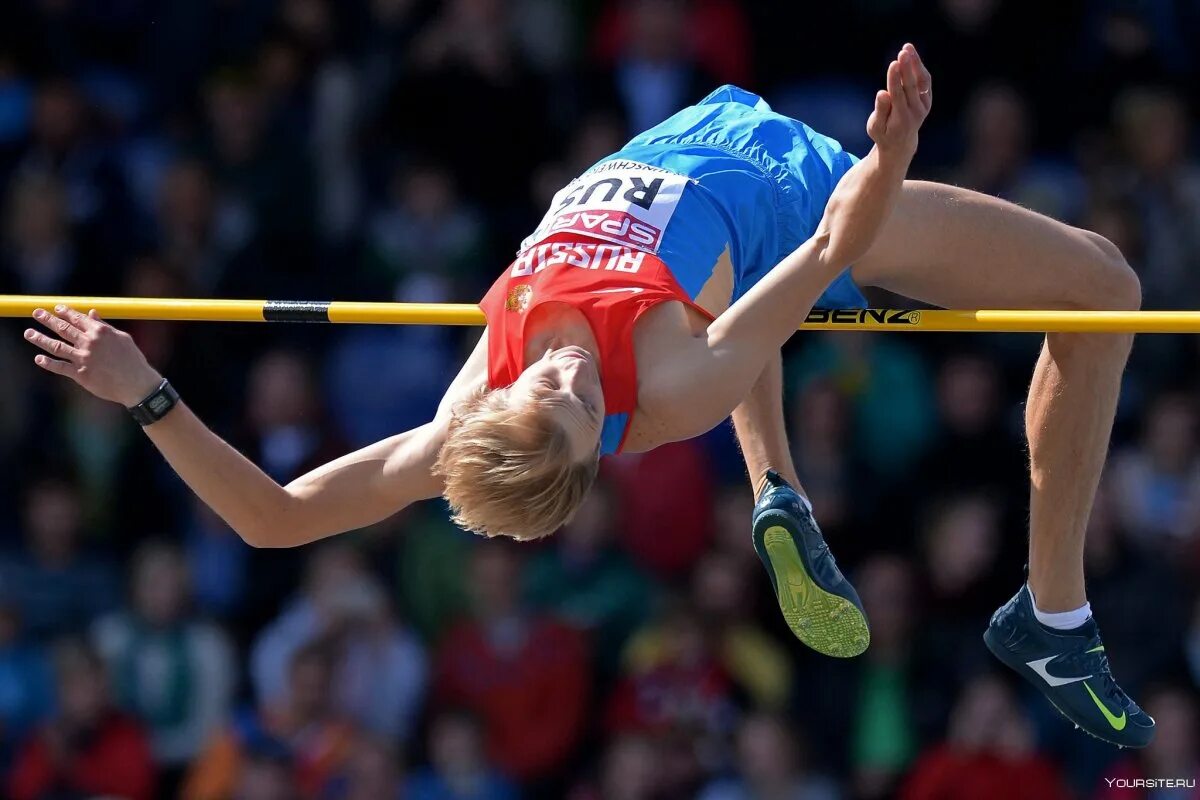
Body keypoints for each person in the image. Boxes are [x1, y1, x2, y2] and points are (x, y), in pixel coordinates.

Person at [20, 44, 1153, 746]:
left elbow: (274, 515)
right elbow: (822, 246)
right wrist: (891, 147)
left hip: (683, 136)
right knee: (1103, 286)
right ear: (595, 447)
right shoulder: (667, 386)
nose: (557, 371)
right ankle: (1051, 614)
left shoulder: (485, 397)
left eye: (539, 382)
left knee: (717, 328)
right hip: (799, 186)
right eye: (571, 398)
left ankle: (779, 493)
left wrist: (146, 388)